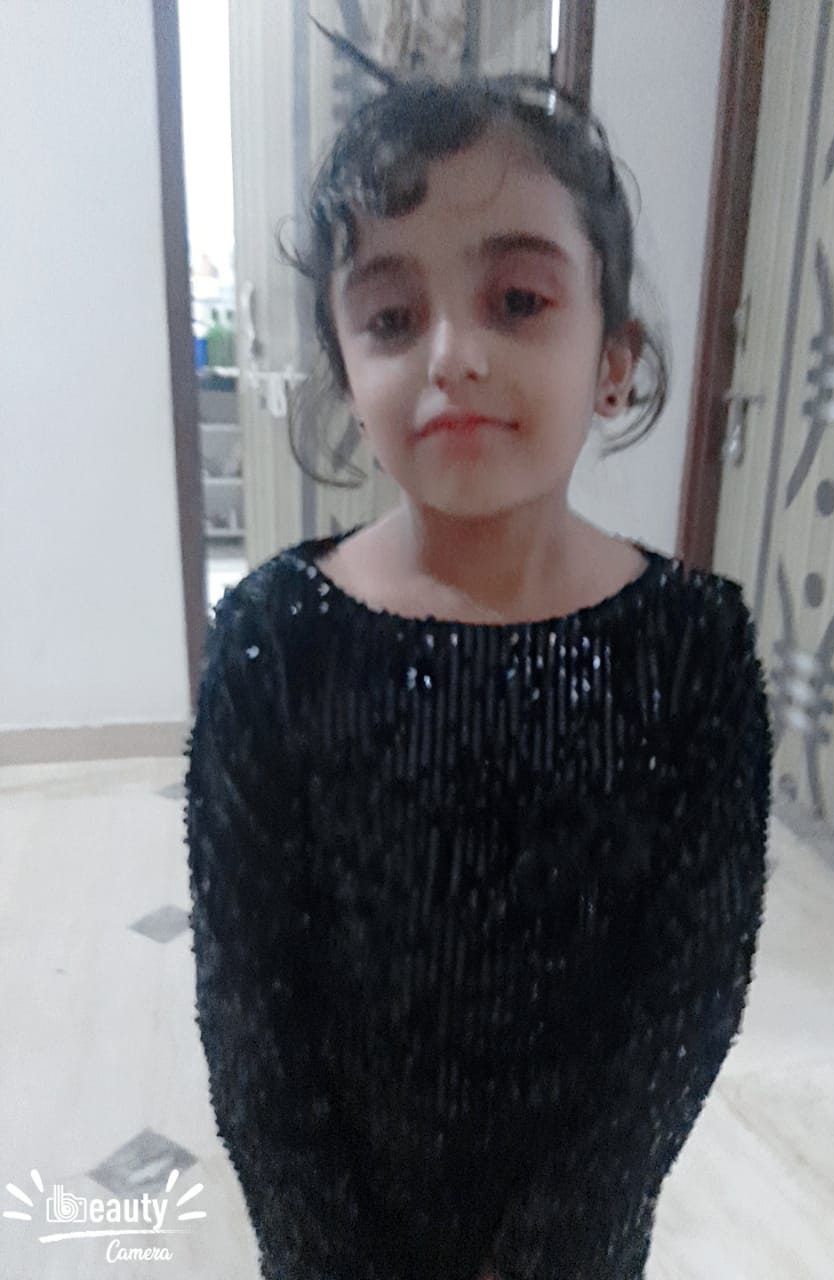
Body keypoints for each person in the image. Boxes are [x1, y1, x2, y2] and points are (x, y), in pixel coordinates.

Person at [185, 42, 773, 1280]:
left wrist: (555, 1247)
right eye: (393, 318)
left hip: (578, 1244)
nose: (451, 351)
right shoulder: (273, 640)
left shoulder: (695, 649)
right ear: (348, 372)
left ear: (614, 357)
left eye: (517, 300)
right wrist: (328, 1251)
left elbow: (686, 996)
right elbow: (251, 1011)